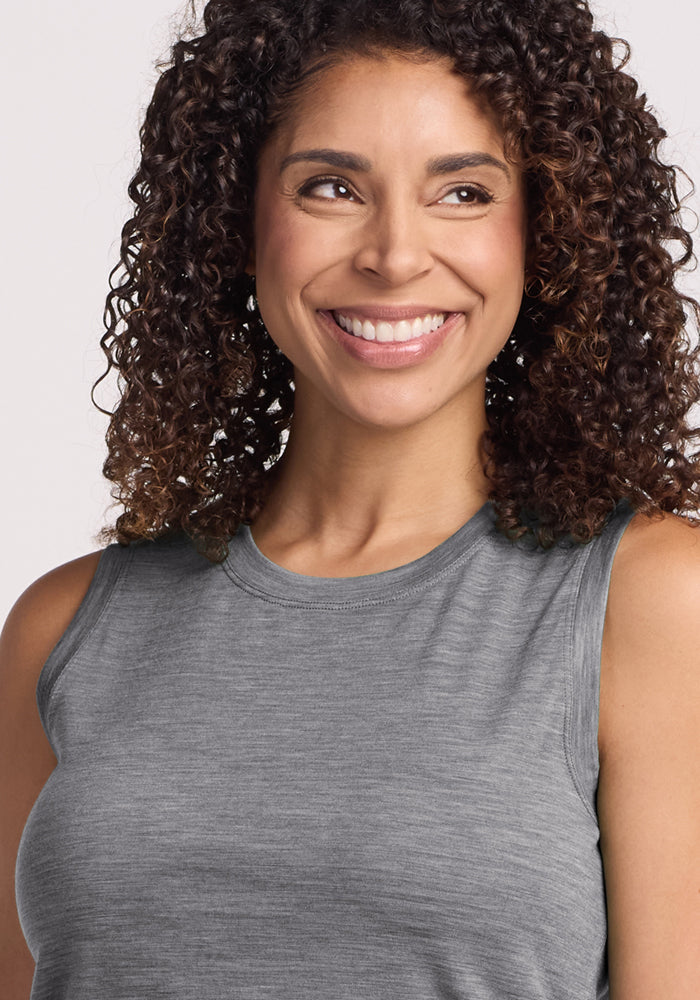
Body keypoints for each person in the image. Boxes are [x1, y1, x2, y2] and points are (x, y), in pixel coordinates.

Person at [2, 0, 699, 996]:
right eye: (331, 187)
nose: (394, 253)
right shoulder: (63, 626)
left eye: (462, 191)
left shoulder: (650, 602)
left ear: (543, 233)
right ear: (238, 222)